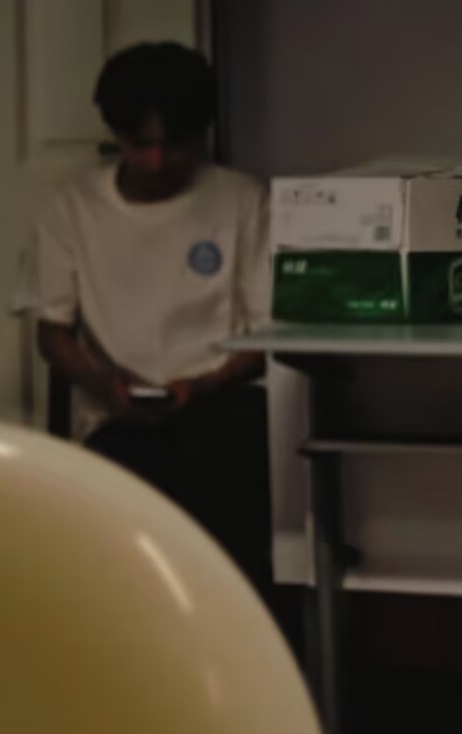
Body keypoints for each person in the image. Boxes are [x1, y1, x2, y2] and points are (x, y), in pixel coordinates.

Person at [16, 42, 272, 594]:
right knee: (121, 539)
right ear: (117, 135)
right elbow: (52, 331)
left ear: (200, 135)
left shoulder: (241, 199)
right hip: (116, 415)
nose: (156, 163)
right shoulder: (72, 206)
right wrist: (101, 382)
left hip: (221, 403)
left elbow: (266, 337)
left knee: (225, 492)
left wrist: (205, 385)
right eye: (141, 145)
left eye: (174, 145)